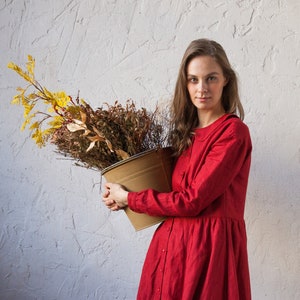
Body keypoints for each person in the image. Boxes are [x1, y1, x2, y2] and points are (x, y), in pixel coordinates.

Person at [102, 38, 252, 300]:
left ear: (226, 79)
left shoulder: (233, 133)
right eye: (193, 79)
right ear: (185, 83)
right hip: (170, 248)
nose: (201, 88)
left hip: (207, 254)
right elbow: (165, 194)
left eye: (211, 78)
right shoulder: (184, 137)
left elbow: (192, 201)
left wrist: (132, 198)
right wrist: (121, 195)